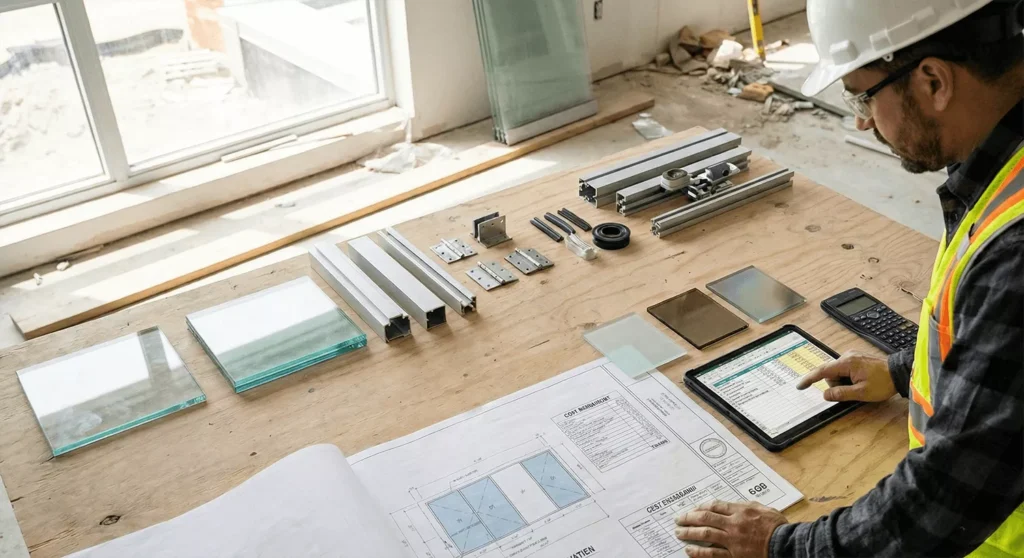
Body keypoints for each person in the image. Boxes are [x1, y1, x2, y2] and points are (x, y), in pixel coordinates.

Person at [674, 0, 1024, 556]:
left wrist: (780, 546)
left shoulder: (1015, 253)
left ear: (933, 81)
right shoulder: (1003, 163)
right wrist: (906, 371)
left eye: (863, 94)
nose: (861, 120)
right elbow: (1003, 359)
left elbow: (944, 501)